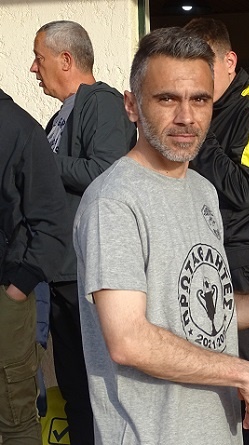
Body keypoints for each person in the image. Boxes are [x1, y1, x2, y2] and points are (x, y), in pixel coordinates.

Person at [73, 27, 249, 445]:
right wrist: (243, 373)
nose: (186, 117)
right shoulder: (112, 201)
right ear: (131, 106)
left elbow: (202, 318)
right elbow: (128, 340)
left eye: (200, 99)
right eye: (167, 99)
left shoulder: (202, 191)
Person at [183, 18, 249, 445]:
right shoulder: (199, 109)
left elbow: (245, 190)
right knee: (215, 388)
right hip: (201, 259)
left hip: (245, 262)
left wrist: (200, 135)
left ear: (229, 61)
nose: (197, 79)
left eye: (205, 67)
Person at [29, 20, 137, 444]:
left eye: (38, 58)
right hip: (59, 273)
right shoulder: (60, 116)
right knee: (75, 389)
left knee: (99, 393)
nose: (33, 68)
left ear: (65, 59)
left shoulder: (101, 102)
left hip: (86, 274)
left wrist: (38, 161)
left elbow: (105, 170)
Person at [0, 88, 67, 444]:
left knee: (15, 419)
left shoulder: (18, 128)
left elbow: (52, 224)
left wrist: (16, 290)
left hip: (7, 297)